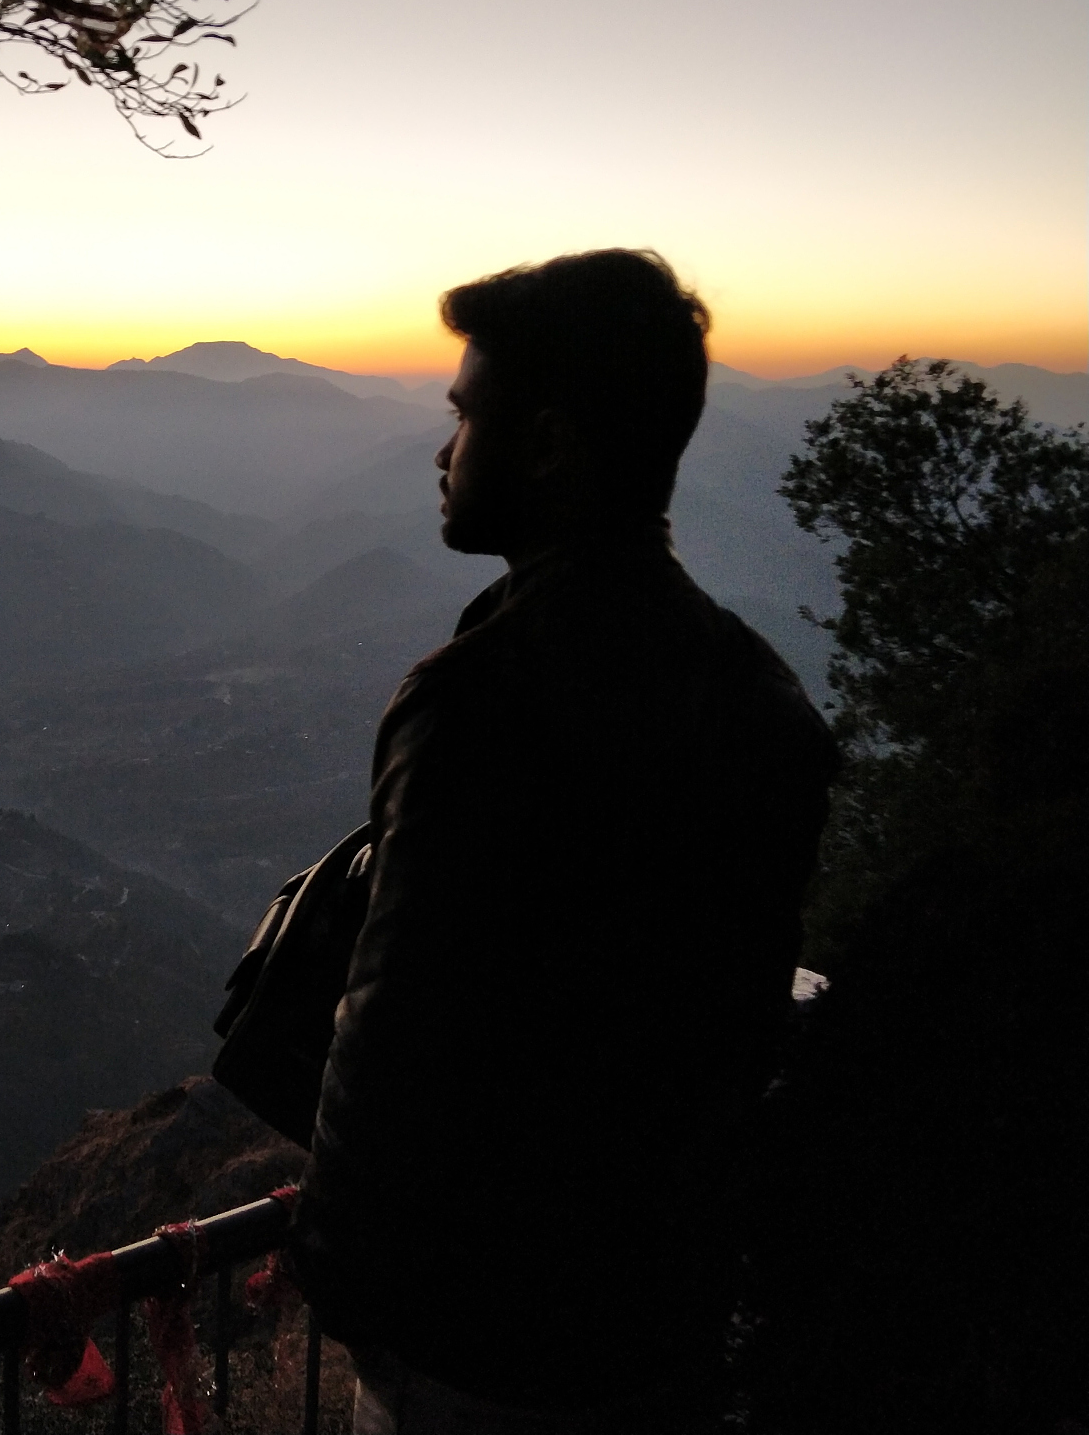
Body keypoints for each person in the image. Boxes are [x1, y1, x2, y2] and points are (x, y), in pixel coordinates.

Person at [289, 250, 837, 1434]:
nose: (441, 455)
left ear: (542, 444)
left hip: (474, 1337)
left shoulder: (484, 697)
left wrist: (338, 1271)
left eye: (461, 417)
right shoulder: (760, 696)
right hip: (661, 1320)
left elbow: (396, 1033)